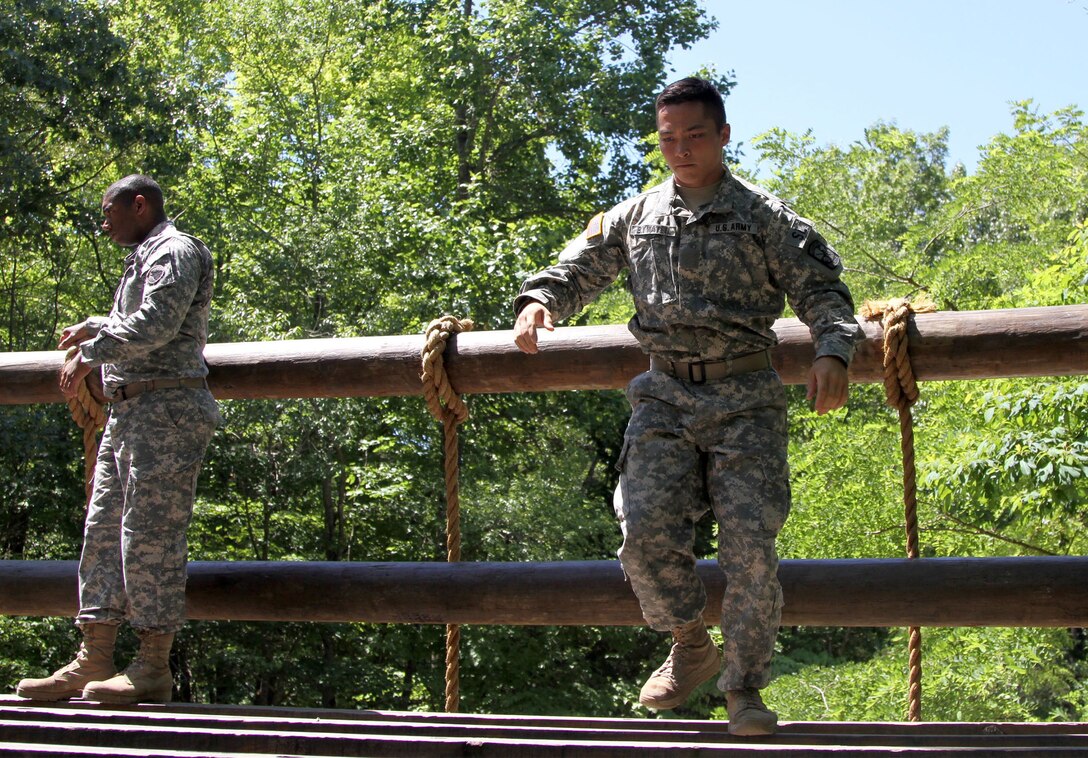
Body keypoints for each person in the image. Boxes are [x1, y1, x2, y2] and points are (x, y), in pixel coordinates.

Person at [513, 78, 863, 736]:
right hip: (664, 396)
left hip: (746, 400)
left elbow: (825, 293)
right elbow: (578, 267)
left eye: (694, 135)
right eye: (668, 138)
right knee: (641, 534)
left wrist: (833, 353)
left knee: (750, 551)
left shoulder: (765, 217)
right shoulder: (636, 216)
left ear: (724, 135)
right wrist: (539, 304)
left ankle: (745, 689)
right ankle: (689, 641)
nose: (680, 149)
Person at [16, 174, 219, 705]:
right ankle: (94, 658)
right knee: (103, 532)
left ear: (139, 204)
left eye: (109, 211)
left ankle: (152, 665)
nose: (103, 222)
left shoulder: (173, 249)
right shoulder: (147, 253)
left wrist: (92, 351)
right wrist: (97, 324)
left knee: (150, 537)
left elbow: (158, 322)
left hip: (166, 411)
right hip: (130, 413)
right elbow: (141, 318)